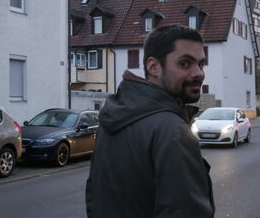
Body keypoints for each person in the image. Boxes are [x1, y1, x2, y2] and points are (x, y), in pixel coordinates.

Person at [85, 25, 215, 218]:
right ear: (153, 67)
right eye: (185, 64)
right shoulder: (172, 130)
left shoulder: (114, 116)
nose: (199, 73)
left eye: (201, 64)